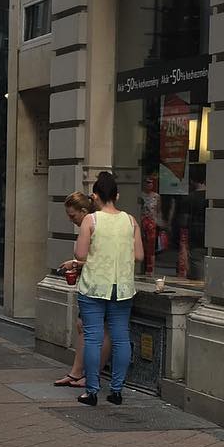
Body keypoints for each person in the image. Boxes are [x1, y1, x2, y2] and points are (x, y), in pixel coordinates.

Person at [68, 170, 143, 406]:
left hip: (94, 286)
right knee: (121, 337)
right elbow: (139, 255)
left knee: (93, 338)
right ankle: (117, 391)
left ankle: (91, 391)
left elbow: (80, 254)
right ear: (117, 196)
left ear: (96, 197)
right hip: (122, 287)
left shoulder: (91, 220)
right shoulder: (131, 221)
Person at [55, 191, 110, 388]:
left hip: (102, 285)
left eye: (73, 216)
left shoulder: (94, 225)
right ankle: (77, 372)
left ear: (84, 211)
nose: (71, 220)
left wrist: (76, 263)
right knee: (81, 326)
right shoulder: (89, 224)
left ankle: (90, 375)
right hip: (90, 284)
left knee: (102, 331)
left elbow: (101, 259)